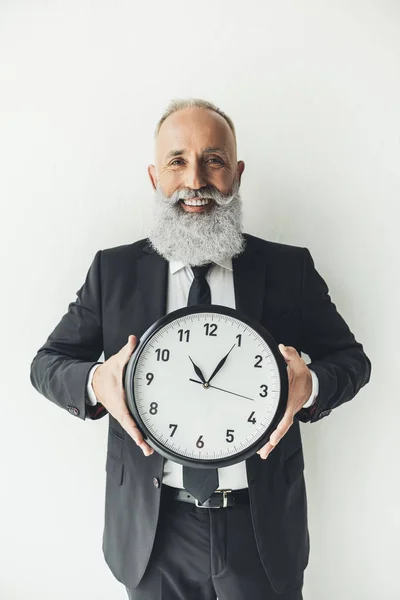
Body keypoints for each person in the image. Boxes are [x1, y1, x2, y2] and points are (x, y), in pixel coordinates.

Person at [30, 98, 371, 600]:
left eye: (213, 160)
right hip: (153, 531)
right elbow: (46, 364)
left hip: (261, 530)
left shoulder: (288, 269)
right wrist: (94, 382)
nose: (196, 179)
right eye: (177, 161)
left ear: (236, 173)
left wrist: (311, 383)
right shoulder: (113, 272)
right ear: (154, 177)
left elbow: (352, 360)